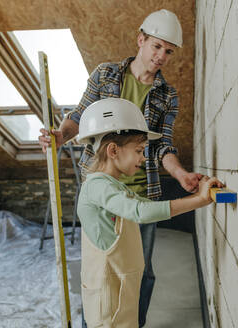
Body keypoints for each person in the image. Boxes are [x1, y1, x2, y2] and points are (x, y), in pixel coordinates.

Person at [38, 9, 202, 327]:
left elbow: (161, 145)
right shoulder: (106, 75)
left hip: (144, 192)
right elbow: (80, 116)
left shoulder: (167, 95)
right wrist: (60, 136)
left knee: (140, 271)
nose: (161, 56)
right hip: (103, 190)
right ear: (140, 40)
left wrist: (181, 174)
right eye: (156, 46)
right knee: (101, 271)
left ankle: (132, 323)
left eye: (168, 51)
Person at [76, 98, 222, 328]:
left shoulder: (113, 186)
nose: (144, 159)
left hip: (120, 296)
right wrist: (198, 200)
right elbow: (141, 211)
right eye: (139, 151)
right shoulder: (97, 186)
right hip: (109, 305)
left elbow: (142, 205)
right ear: (113, 150)